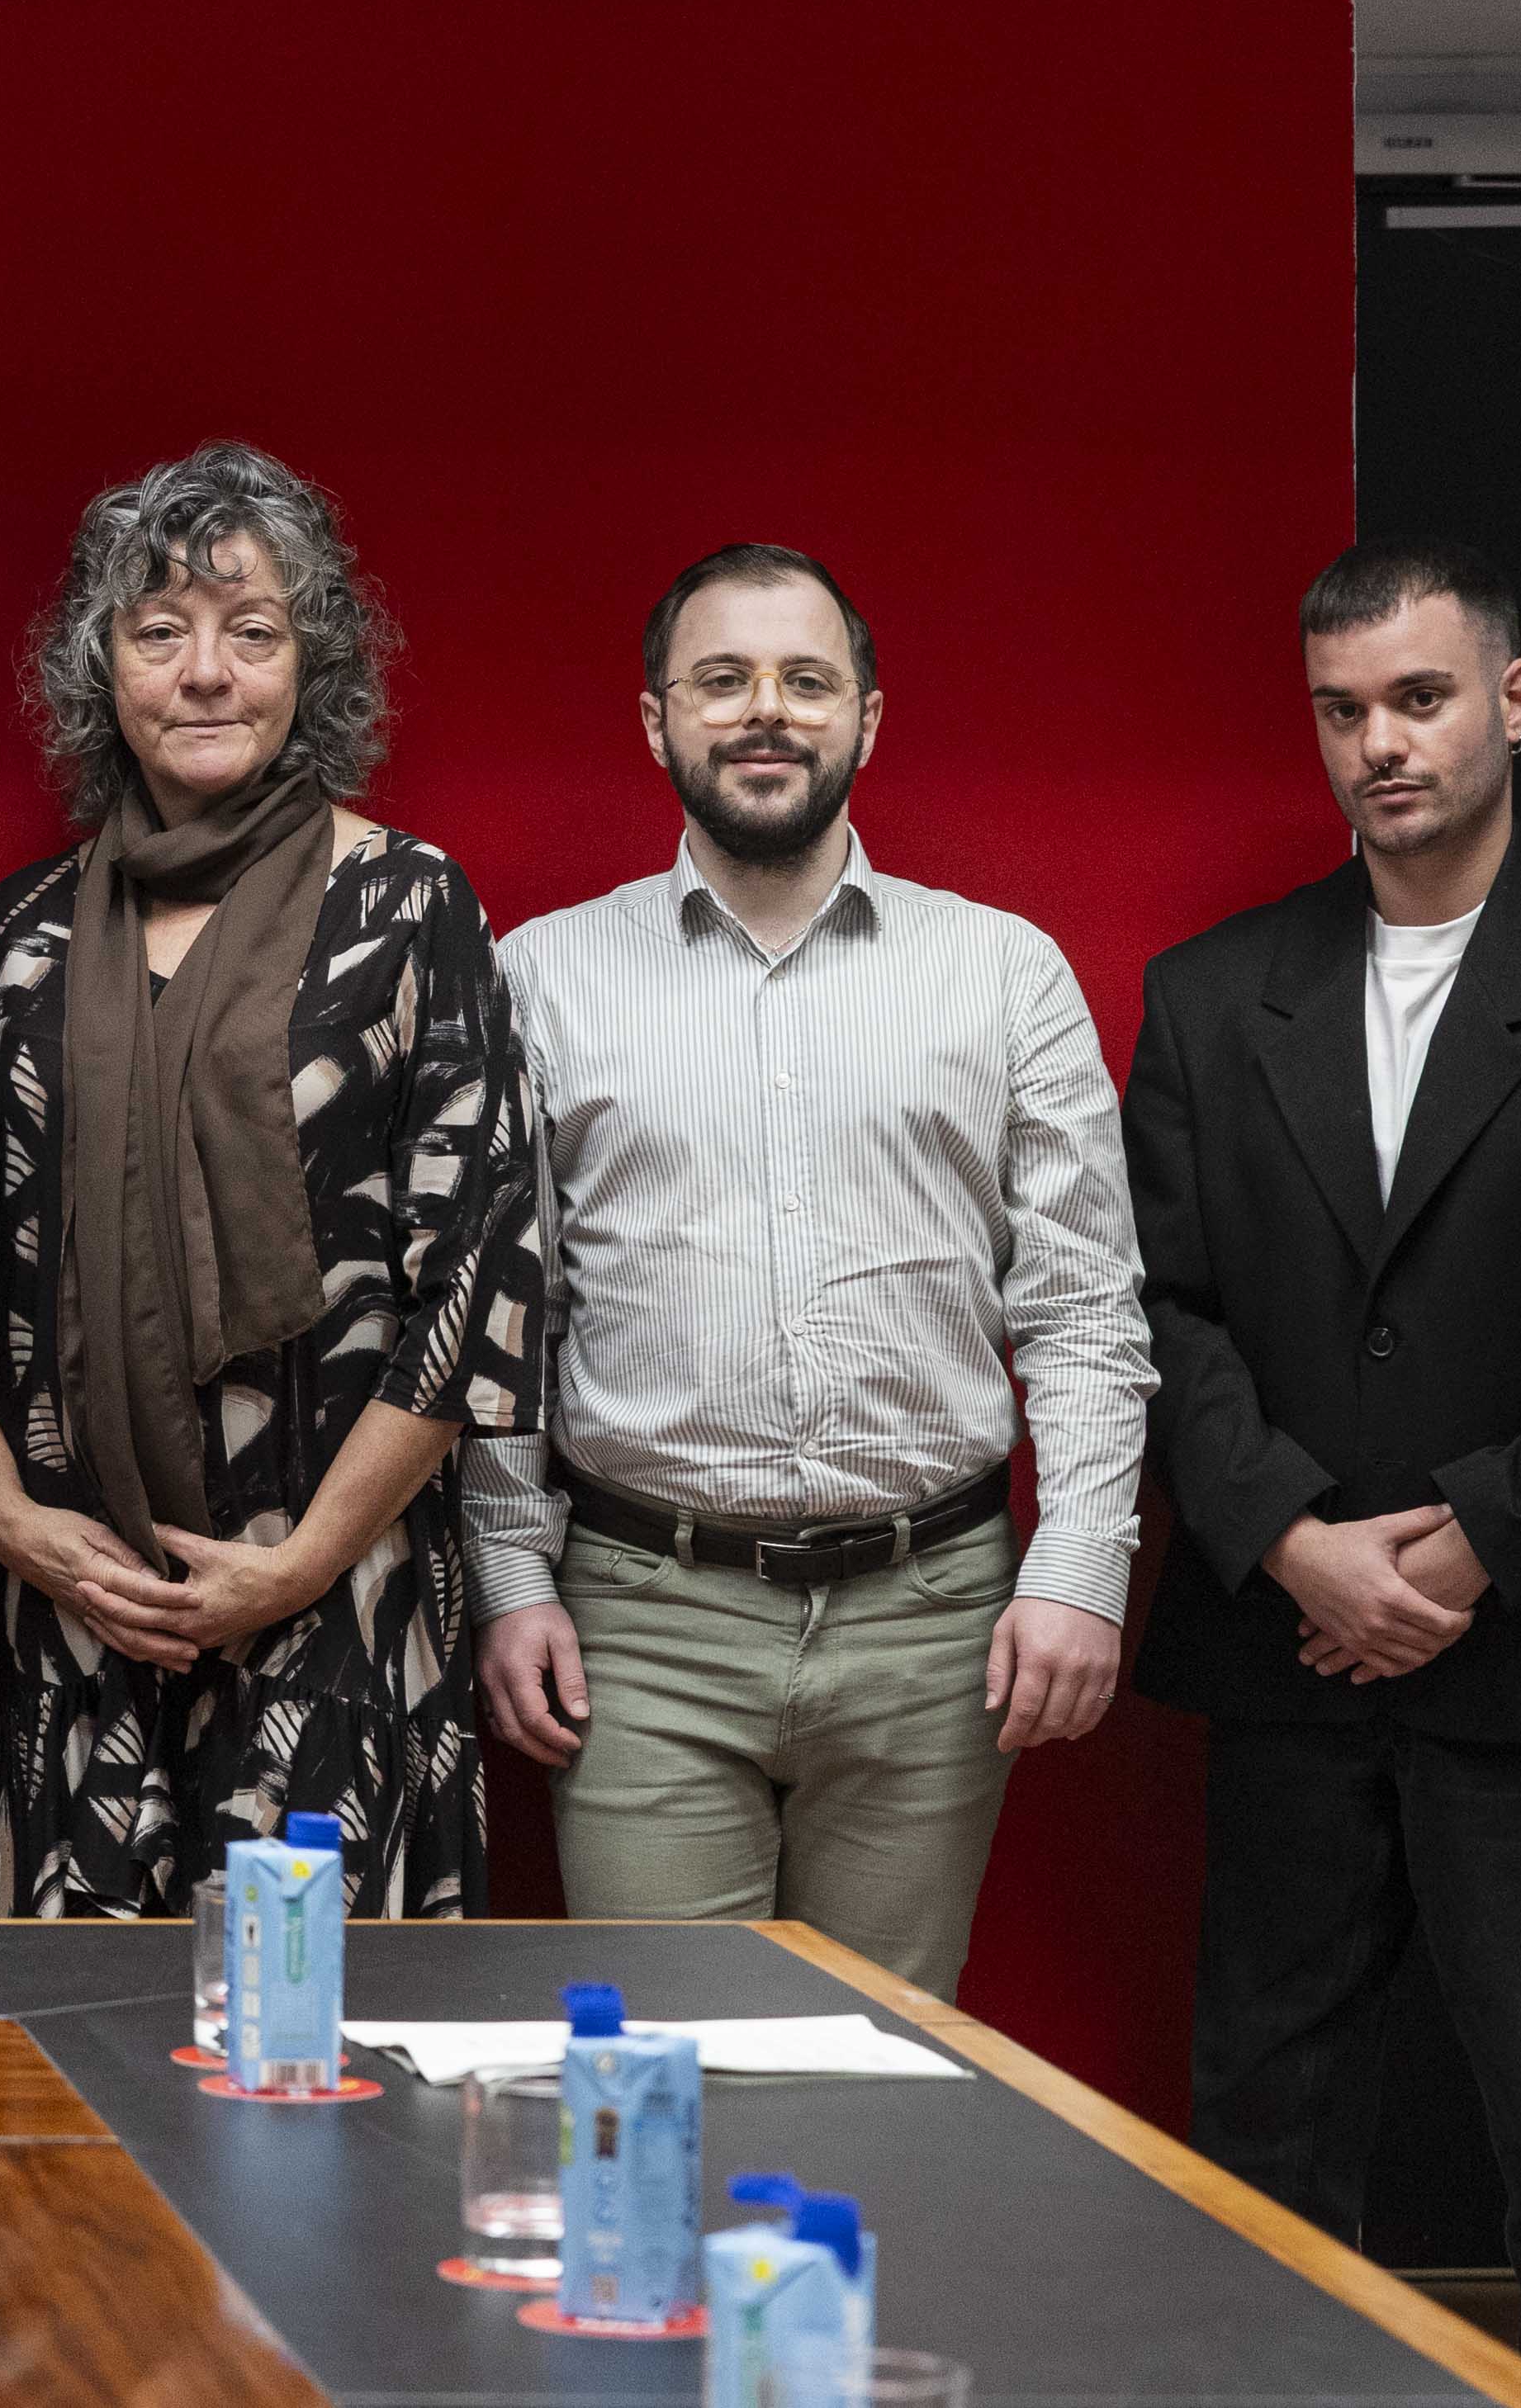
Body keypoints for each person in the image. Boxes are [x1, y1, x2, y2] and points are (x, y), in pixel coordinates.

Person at [1130, 541, 1521, 2408]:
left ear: (1512, 702)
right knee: (1263, 2142)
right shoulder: (1213, 994)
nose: (1379, 744)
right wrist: (1294, 1545)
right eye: (1341, 710)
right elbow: (1159, 1311)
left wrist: (1471, 1548)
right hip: (1288, 1666)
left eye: (1418, 698)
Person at [459, 546, 1152, 1999]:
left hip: (936, 1621)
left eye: (804, 681)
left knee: (884, 2083)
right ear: (657, 723)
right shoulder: (541, 978)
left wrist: (1084, 1565)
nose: (763, 712)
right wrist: (512, 1573)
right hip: (640, 1622)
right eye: (721, 681)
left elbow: (1084, 1302)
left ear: (868, 718)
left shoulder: (1003, 972)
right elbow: (508, 1319)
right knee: (659, 2079)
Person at [0, 442, 540, 1921]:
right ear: (104, 673)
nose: (205, 672)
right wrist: (10, 1519)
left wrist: (304, 1559)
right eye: (160, 633)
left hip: (336, 1609)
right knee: (66, 2083)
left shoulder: (411, 907)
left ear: (308, 668)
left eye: (250, 632)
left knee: (321, 2105)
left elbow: (480, 1276)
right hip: (71, 1616)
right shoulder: (17, 934)